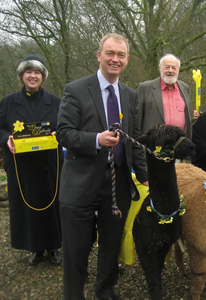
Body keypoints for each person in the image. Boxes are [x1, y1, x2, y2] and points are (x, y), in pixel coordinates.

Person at [56, 33, 148, 300]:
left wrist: (145, 178)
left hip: (117, 183)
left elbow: (136, 140)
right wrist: (96, 139)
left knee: (111, 243)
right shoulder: (75, 89)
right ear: (99, 55)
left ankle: (105, 289)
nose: (115, 59)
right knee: (76, 248)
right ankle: (74, 294)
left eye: (120, 55)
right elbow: (63, 133)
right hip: (79, 182)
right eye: (110, 53)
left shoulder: (130, 96)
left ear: (127, 59)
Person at [0, 55, 63, 266]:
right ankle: (35, 247)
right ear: (22, 76)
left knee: (52, 206)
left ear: (43, 76)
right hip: (22, 167)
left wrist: (58, 135)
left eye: (37, 72)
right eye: (29, 72)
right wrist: (5, 139)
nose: (33, 76)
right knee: (28, 209)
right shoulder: (8, 103)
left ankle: (54, 246)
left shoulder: (56, 102)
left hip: (49, 165)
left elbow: (65, 129)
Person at [137, 54, 191, 138]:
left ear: (178, 70)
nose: (170, 70)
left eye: (174, 68)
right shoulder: (145, 88)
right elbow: (137, 119)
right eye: (167, 67)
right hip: (153, 144)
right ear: (160, 68)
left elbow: (187, 118)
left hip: (179, 145)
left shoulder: (185, 88)